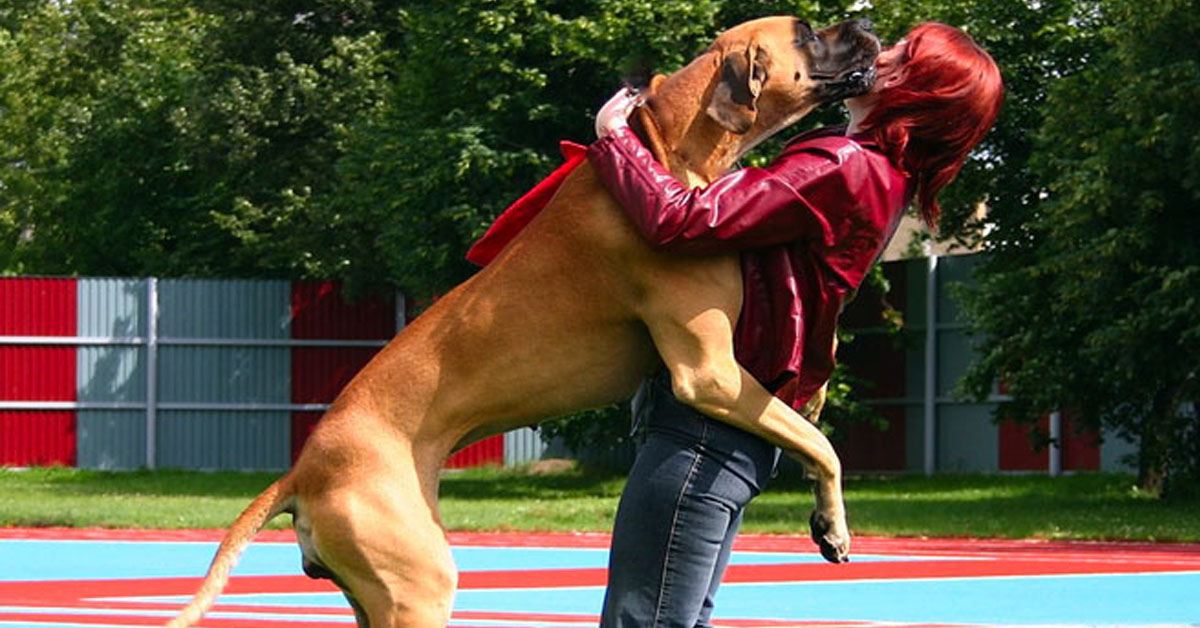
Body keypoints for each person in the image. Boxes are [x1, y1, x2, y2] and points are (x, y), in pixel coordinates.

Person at [588, 21, 1004, 628]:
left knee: (644, 622)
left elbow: (683, 222)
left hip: (706, 433)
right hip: (736, 432)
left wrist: (614, 139)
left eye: (900, 58)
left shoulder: (842, 166)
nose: (880, 54)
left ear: (917, 94)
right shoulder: (876, 173)